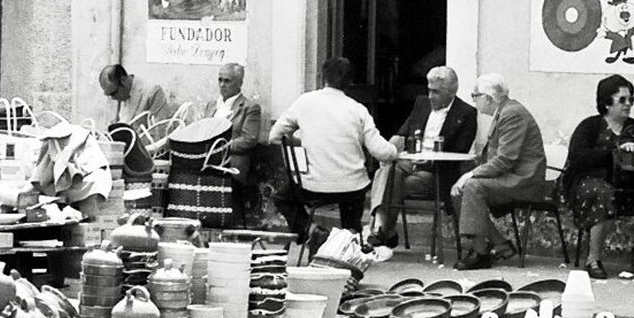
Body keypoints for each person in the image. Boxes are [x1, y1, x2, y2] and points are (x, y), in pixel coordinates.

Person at [268, 57, 398, 247]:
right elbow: (382, 152)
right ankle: (349, 240)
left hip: (311, 184)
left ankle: (311, 231)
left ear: (323, 78)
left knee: (282, 198)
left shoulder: (305, 102)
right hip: (352, 186)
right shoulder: (358, 110)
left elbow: (274, 136)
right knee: (352, 209)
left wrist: (298, 140)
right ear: (350, 83)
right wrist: (396, 149)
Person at [364, 66, 478, 249]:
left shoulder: (466, 113)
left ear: (451, 92)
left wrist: (430, 160)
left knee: (390, 181)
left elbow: (460, 152)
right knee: (387, 169)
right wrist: (386, 151)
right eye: (429, 90)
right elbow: (401, 136)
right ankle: (381, 228)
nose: (431, 96)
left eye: (436, 92)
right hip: (408, 164)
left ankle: (383, 230)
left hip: (436, 172)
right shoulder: (422, 104)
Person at [563, 73, 634, 279]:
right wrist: (614, 151)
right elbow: (578, 156)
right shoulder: (590, 126)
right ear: (607, 103)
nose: (628, 105)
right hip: (590, 182)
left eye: (631, 100)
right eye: (623, 100)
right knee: (604, 193)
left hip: (629, 184)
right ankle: (593, 259)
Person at [450, 74, 548, 270]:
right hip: (511, 177)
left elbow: (505, 160)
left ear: (487, 98)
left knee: (472, 186)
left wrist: (470, 174)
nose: (473, 100)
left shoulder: (512, 114)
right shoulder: (504, 111)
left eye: (475, 95)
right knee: (457, 191)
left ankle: (480, 252)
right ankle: (500, 244)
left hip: (524, 181)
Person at [199, 62, 263, 218]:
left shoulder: (249, 108)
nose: (222, 85)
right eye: (220, 80)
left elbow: (249, 139)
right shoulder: (212, 105)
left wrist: (221, 148)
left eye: (227, 81)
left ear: (240, 83)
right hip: (207, 160)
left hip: (231, 163)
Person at [98, 62, 173, 179]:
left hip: (146, 160)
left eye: (113, 93)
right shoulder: (122, 96)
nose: (112, 98)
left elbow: (160, 133)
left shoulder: (152, 91)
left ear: (123, 80)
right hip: (124, 158)